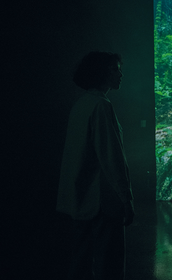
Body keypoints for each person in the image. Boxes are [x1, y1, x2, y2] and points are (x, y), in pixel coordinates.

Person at [56, 51, 134, 280]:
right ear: (101, 72)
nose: (120, 74)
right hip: (101, 202)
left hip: (80, 199)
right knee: (109, 265)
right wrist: (126, 198)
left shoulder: (82, 104)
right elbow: (112, 158)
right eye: (114, 69)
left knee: (81, 262)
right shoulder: (101, 106)